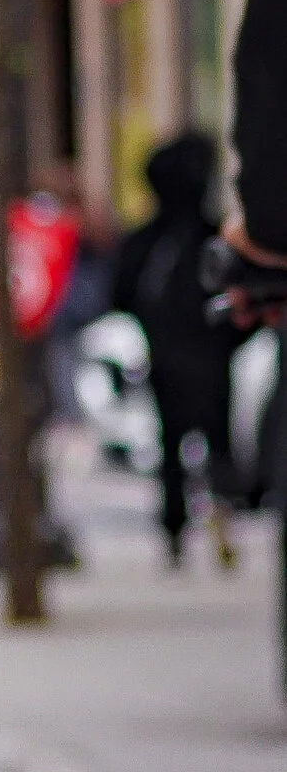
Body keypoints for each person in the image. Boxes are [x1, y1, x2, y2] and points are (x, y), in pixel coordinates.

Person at [111, 130, 245, 568]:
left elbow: (122, 294)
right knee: (201, 445)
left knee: (183, 447)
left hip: (182, 356)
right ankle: (194, 523)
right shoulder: (191, 241)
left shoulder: (161, 243)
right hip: (192, 357)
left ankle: (184, 527)